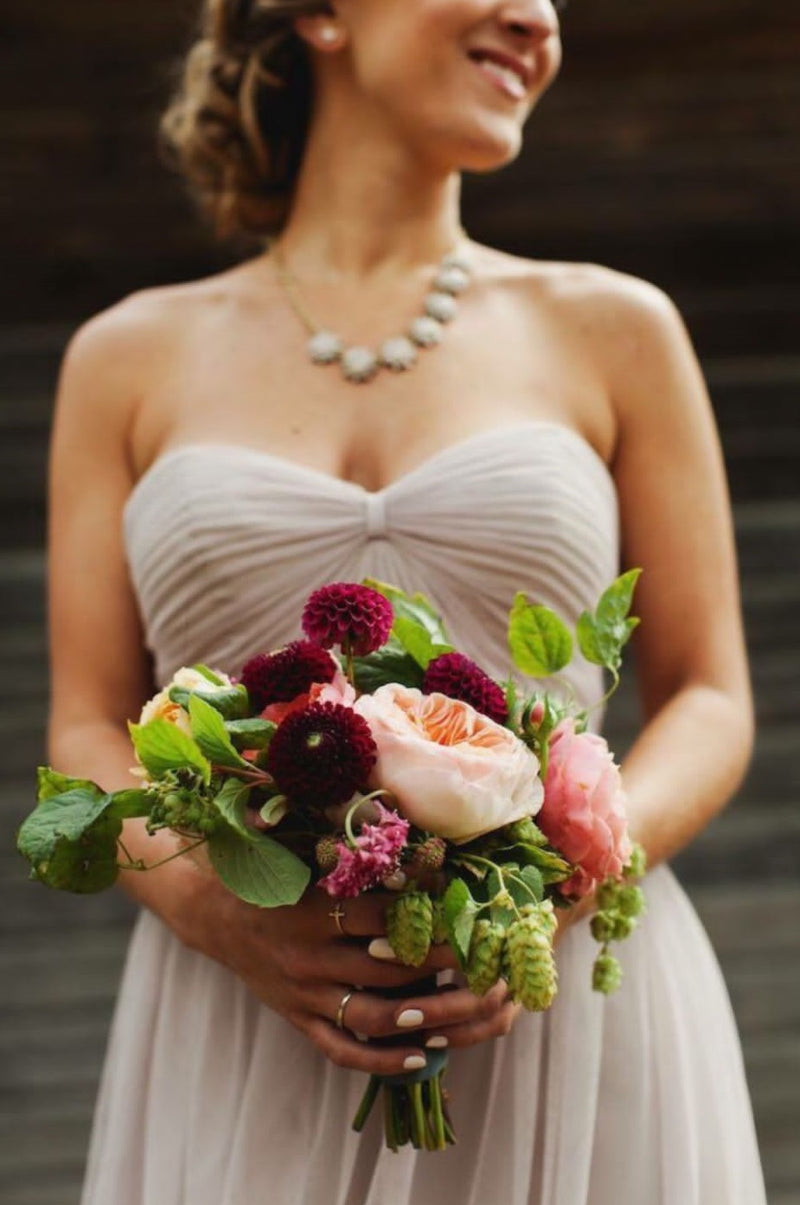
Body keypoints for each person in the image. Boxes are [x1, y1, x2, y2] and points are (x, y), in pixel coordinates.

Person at [47, 1, 768, 1202]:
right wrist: (222, 917)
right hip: (244, 1016)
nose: (535, 16)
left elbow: (708, 693)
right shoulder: (123, 358)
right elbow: (84, 721)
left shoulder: (616, 328)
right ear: (321, 13)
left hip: (562, 1007)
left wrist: (555, 879)